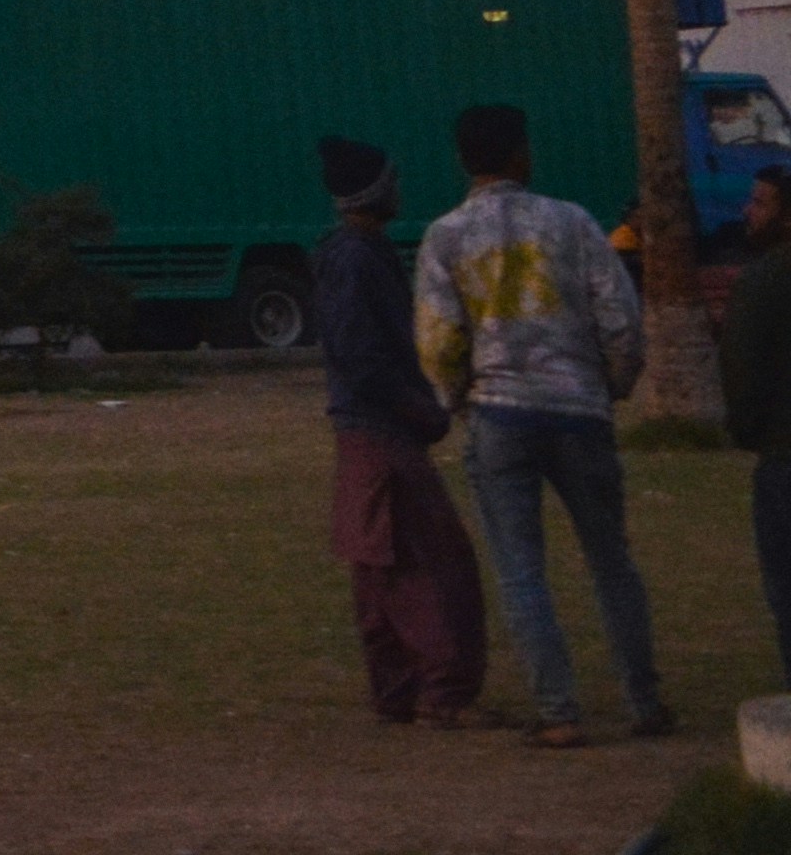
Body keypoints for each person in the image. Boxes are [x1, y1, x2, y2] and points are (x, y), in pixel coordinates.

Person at [412, 98, 666, 746]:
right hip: (579, 409)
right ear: (522, 154)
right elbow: (621, 320)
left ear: (463, 159)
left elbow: (440, 340)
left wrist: (458, 397)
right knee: (611, 560)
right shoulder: (572, 222)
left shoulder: (445, 236)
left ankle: (559, 712)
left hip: (499, 414)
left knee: (522, 570)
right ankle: (644, 700)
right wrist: (611, 385)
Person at [302, 134, 484, 726]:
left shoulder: (348, 254)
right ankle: (443, 692)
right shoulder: (358, 259)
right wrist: (420, 410)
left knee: (379, 564)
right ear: (375, 192)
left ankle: (397, 689)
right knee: (428, 561)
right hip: (383, 431)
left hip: (365, 431)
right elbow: (362, 356)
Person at [721, 164, 791, 698]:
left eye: (762, 202)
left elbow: (741, 373)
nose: (749, 212)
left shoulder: (763, 282)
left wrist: (748, 432)